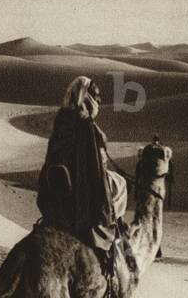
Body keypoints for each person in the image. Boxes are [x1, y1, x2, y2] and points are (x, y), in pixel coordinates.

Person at [37, 76, 127, 258]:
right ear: (85, 97)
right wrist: (102, 208)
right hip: (81, 192)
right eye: (95, 95)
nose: (99, 100)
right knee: (120, 185)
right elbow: (95, 171)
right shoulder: (86, 126)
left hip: (58, 194)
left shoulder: (62, 120)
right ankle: (115, 240)